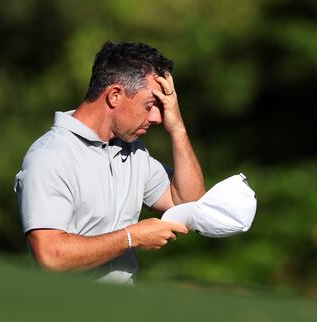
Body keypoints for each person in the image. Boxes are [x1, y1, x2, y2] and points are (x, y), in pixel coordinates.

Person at [14, 41, 205, 285]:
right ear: (115, 95)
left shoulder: (134, 151)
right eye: (150, 106)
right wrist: (131, 237)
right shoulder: (49, 156)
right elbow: (50, 257)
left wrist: (177, 127)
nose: (158, 118)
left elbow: (191, 203)